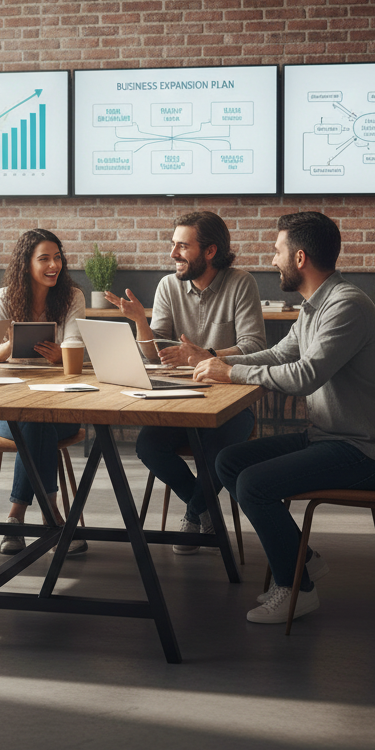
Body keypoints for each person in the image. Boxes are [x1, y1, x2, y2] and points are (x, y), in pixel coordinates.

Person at [194, 211, 375, 624]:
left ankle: (297, 590)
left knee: (254, 485)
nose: (273, 260)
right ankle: (302, 559)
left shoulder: (345, 307)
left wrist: (231, 373)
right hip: (332, 437)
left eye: (277, 251)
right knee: (230, 461)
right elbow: (279, 354)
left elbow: (306, 375)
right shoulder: (315, 305)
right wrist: (215, 359)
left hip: (367, 453)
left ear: (301, 257)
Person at [105, 211, 265, 554]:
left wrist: (204, 355)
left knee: (216, 453)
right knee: (148, 446)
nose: (173, 253)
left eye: (182, 246)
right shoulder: (168, 285)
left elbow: (255, 347)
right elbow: (155, 353)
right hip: (180, 400)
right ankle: (205, 507)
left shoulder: (241, 282)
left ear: (209, 251)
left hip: (231, 400)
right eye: (173, 244)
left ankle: (194, 514)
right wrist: (140, 324)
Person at [0, 229, 87, 556]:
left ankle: (16, 518)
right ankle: (53, 517)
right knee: (32, 421)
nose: (53, 264)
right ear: (25, 263)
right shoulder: (4, 298)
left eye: (57, 257)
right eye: (44, 258)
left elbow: (76, 346)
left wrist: (62, 355)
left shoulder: (72, 297)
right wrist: (6, 348)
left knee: (38, 421)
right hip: (7, 405)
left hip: (61, 407)